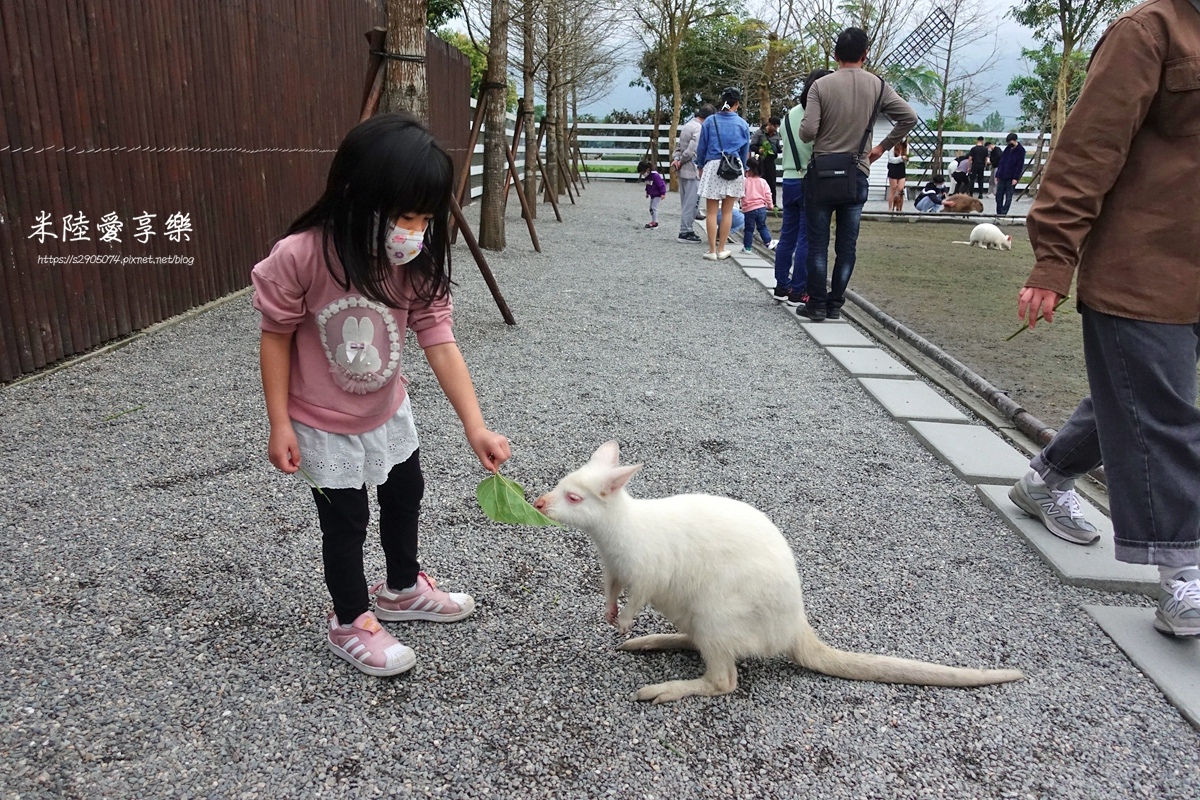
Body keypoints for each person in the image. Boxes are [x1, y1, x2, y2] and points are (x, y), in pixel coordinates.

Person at [252, 113, 512, 676]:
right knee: (344, 521)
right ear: (354, 195)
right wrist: (280, 423)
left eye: (424, 217)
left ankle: (400, 588)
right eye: (403, 215)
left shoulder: (414, 260)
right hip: (320, 421)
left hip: (388, 409)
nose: (413, 229)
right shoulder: (301, 255)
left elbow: (439, 339)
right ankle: (350, 619)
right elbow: (274, 338)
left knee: (405, 493)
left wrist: (476, 426)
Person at [1013, 0, 1200, 637]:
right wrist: (1054, 258)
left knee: (1138, 396)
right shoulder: (1148, 30)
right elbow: (1087, 149)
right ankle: (1185, 577)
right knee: (1166, 415)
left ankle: (1046, 478)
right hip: (1143, 267)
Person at [798, 27, 916, 321]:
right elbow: (909, 117)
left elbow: (807, 132)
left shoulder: (820, 86)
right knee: (846, 244)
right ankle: (836, 304)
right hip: (857, 172)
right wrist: (879, 148)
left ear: (835, 55)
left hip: (822, 173)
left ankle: (816, 304)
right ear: (865, 55)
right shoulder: (878, 86)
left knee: (817, 243)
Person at [773, 69, 829, 306]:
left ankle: (781, 284)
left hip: (788, 178)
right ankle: (799, 290)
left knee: (788, 234)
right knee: (807, 237)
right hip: (810, 179)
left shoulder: (788, 116)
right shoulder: (818, 115)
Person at [695, 87, 751, 261]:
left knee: (711, 212)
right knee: (727, 211)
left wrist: (700, 165)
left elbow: (702, 147)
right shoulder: (743, 124)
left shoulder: (710, 121)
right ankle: (722, 249)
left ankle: (711, 250)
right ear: (737, 104)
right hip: (733, 167)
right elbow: (744, 151)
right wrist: (743, 168)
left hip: (712, 165)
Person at [671, 105, 713, 243]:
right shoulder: (700, 129)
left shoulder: (688, 125)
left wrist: (677, 159)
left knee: (685, 202)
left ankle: (686, 228)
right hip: (692, 169)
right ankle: (685, 231)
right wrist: (682, 160)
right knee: (692, 202)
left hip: (683, 170)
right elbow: (692, 151)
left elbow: (680, 146)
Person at [738, 158, 774, 253]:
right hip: (761, 208)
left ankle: (748, 248)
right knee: (762, 226)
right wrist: (770, 205)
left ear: (748, 170)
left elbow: (740, 194)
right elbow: (768, 194)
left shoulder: (745, 182)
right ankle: (768, 242)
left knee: (749, 229)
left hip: (749, 209)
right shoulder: (763, 182)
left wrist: (739, 202)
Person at [750, 117, 782, 209]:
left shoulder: (777, 135)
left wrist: (779, 150)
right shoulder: (759, 133)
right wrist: (759, 150)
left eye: (777, 127)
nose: (775, 128)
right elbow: (752, 145)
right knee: (760, 181)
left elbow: (778, 147)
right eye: (774, 126)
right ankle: (759, 203)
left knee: (772, 182)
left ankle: (773, 203)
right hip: (760, 161)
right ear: (769, 124)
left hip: (771, 161)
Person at [994, 133, 1026, 216]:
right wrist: (998, 174)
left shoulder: (1021, 151)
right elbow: (1002, 162)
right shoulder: (1007, 149)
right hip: (1002, 175)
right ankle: (999, 212)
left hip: (1011, 177)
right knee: (998, 195)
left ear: (1015, 140)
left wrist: (1015, 178)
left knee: (1008, 196)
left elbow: (1019, 165)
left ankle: (1004, 212)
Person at [637, 158, 668, 229]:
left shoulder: (655, 176)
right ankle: (653, 220)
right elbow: (648, 185)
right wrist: (647, 192)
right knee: (651, 208)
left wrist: (663, 193)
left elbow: (662, 185)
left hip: (657, 194)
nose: (642, 174)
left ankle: (655, 222)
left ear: (647, 169)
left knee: (654, 207)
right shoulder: (647, 177)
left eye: (642, 172)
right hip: (652, 195)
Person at [885, 139, 908, 212]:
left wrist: (906, 159)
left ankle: (899, 208)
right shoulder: (892, 146)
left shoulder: (906, 146)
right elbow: (891, 159)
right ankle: (890, 208)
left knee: (901, 190)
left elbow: (907, 157)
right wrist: (900, 158)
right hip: (893, 167)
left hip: (901, 168)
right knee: (893, 188)